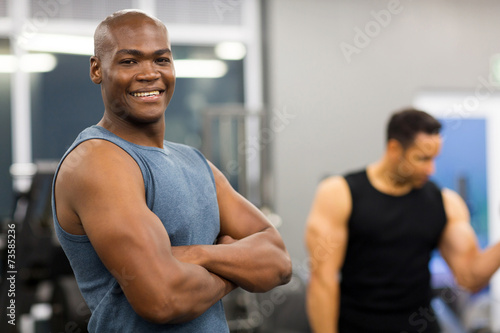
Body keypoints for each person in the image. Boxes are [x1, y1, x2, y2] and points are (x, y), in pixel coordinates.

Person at [51, 9, 292, 333]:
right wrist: (234, 268)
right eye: (129, 61)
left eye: (161, 60)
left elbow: (278, 261)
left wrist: (196, 255)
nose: (149, 73)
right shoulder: (98, 161)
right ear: (97, 69)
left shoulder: (194, 162)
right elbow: (162, 299)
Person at [305, 108, 500, 333]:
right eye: (422, 158)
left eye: (434, 158)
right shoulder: (340, 194)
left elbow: (469, 277)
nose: (431, 169)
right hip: (357, 325)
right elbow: (322, 280)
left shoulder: (445, 203)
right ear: (394, 149)